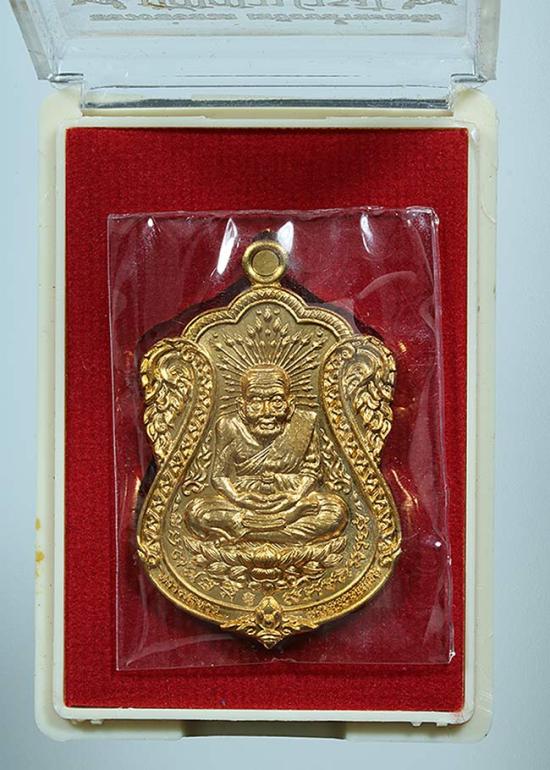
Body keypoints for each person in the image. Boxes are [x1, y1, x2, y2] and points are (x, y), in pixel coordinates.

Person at [184, 363, 348, 544]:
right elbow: (218, 476)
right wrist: (239, 497)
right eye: (255, 402)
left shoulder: (304, 423)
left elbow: (311, 470)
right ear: (242, 406)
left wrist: (295, 497)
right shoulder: (228, 426)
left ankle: (245, 534)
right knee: (197, 513)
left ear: (290, 405)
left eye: (276, 401)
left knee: (335, 513)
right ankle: (283, 530)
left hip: (293, 499)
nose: (266, 412)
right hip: (245, 501)